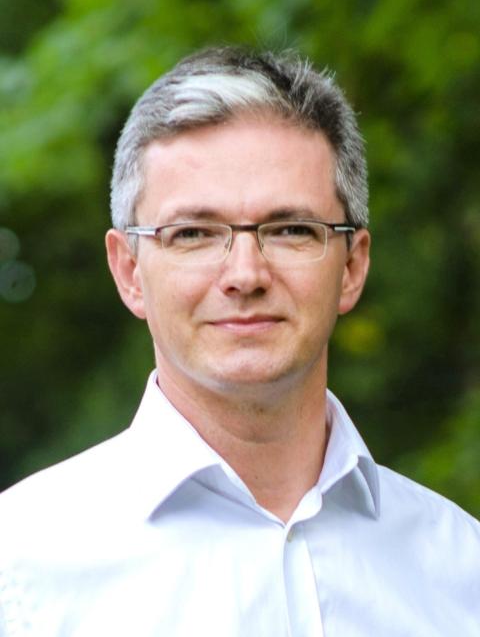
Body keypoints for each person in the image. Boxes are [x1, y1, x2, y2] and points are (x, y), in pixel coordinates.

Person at [0, 46, 479, 637]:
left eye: (291, 229)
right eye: (193, 233)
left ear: (352, 267)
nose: (245, 275)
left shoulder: (462, 570)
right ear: (129, 271)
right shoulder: (18, 572)